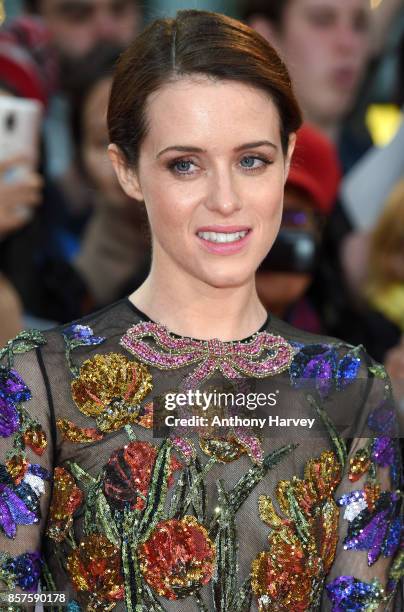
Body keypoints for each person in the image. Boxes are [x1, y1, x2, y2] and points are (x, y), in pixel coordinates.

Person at [0, 11, 401, 611]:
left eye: (252, 160)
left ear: (289, 159)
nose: (225, 200)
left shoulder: (352, 393)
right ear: (127, 171)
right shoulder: (40, 381)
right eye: (184, 164)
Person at [256, 123, 341, 333]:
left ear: (319, 232)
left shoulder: (354, 342)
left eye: (292, 217)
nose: (273, 234)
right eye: (259, 210)